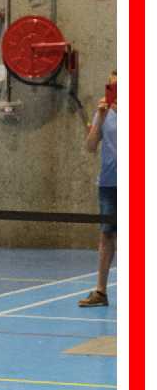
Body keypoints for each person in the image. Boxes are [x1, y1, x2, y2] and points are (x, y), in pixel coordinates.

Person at [79, 69, 117, 307]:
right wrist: (101, 117)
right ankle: (101, 292)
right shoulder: (103, 113)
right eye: (111, 86)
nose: (114, 90)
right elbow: (91, 146)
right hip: (108, 184)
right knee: (106, 235)